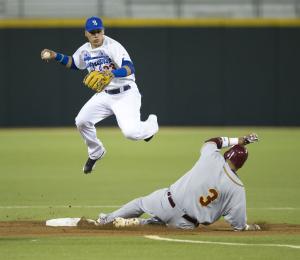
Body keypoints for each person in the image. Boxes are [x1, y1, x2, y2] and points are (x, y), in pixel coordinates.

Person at [40, 16, 159, 174]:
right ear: (86, 34)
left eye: (99, 31)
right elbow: (74, 63)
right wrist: (55, 55)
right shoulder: (84, 50)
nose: (96, 35)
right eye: (92, 32)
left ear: (103, 31)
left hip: (126, 93)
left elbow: (130, 68)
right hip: (104, 94)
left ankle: (151, 125)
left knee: (132, 133)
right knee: (81, 121)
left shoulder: (113, 46)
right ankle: (96, 151)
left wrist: (113, 73)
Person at [90, 133, 261, 231]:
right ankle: (138, 224)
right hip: (186, 224)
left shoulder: (212, 157)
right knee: (160, 227)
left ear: (227, 154)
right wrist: (250, 228)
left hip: (167, 202)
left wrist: (240, 140)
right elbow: (238, 225)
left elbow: (212, 141)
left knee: (141, 203)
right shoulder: (238, 188)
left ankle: (107, 220)